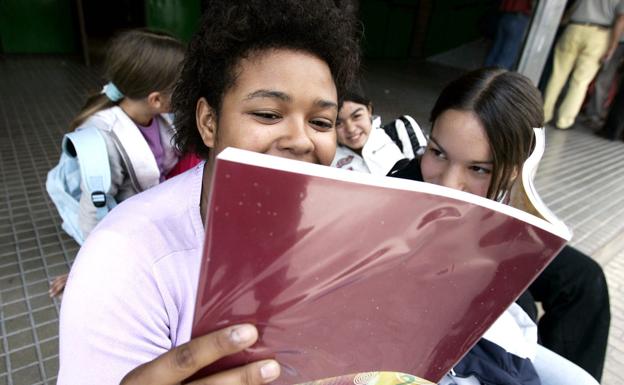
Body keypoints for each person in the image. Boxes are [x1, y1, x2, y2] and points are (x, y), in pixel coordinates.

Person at [57, 1, 361, 384]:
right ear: (208, 122)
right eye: (268, 114)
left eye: (320, 121)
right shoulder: (124, 260)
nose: (301, 141)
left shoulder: (347, 234)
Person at [391, 68, 604, 384]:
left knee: (585, 279)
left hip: (492, 228)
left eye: (478, 168)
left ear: (516, 169)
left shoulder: (511, 191)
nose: (450, 185)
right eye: (437, 152)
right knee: (523, 304)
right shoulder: (402, 191)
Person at [48, 29, 185, 298]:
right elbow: (93, 213)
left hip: (150, 209)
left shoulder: (160, 118)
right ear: (156, 99)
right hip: (126, 226)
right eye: (183, 88)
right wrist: (86, 266)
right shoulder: (105, 140)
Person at [543, 0, 624, 129]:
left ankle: (544, 114)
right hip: (599, 34)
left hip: (574, 28)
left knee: (557, 75)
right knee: (580, 82)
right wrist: (612, 47)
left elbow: (571, 9)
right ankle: (564, 121)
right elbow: (621, 20)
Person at [331, 89, 425, 175]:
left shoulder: (400, 130)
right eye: (338, 123)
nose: (351, 129)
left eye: (356, 116)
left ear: (369, 110)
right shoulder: (328, 156)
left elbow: (424, 174)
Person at [484, 0, 534, 70]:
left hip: (506, 16)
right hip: (520, 19)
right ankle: (497, 79)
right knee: (506, 59)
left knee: (495, 51)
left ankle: (482, 76)